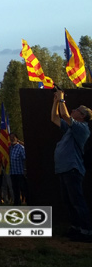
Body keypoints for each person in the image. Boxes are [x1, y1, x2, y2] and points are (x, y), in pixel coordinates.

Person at [50, 89, 92, 241]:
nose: (73, 110)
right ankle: (76, 228)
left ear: (82, 116)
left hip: (72, 169)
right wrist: (55, 101)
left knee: (77, 202)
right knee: (69, 202)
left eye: (77, 110)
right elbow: (55, 118)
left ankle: (87, 231)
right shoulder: (70, 128)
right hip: (64, 169)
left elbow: (64, 115)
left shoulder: (82, 129)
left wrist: (62, 100)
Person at [9, 133, 27, 206]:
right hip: (13, 172)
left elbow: (25, 159)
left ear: (17, 138)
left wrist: (25, 170)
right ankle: (17, 202)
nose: (12, 139)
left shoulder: (20, 148)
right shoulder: (9, 148)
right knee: (15, 188)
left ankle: (27, 201)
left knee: (23, 188)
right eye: (11, 137)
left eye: (13, 137)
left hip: (20, 172)